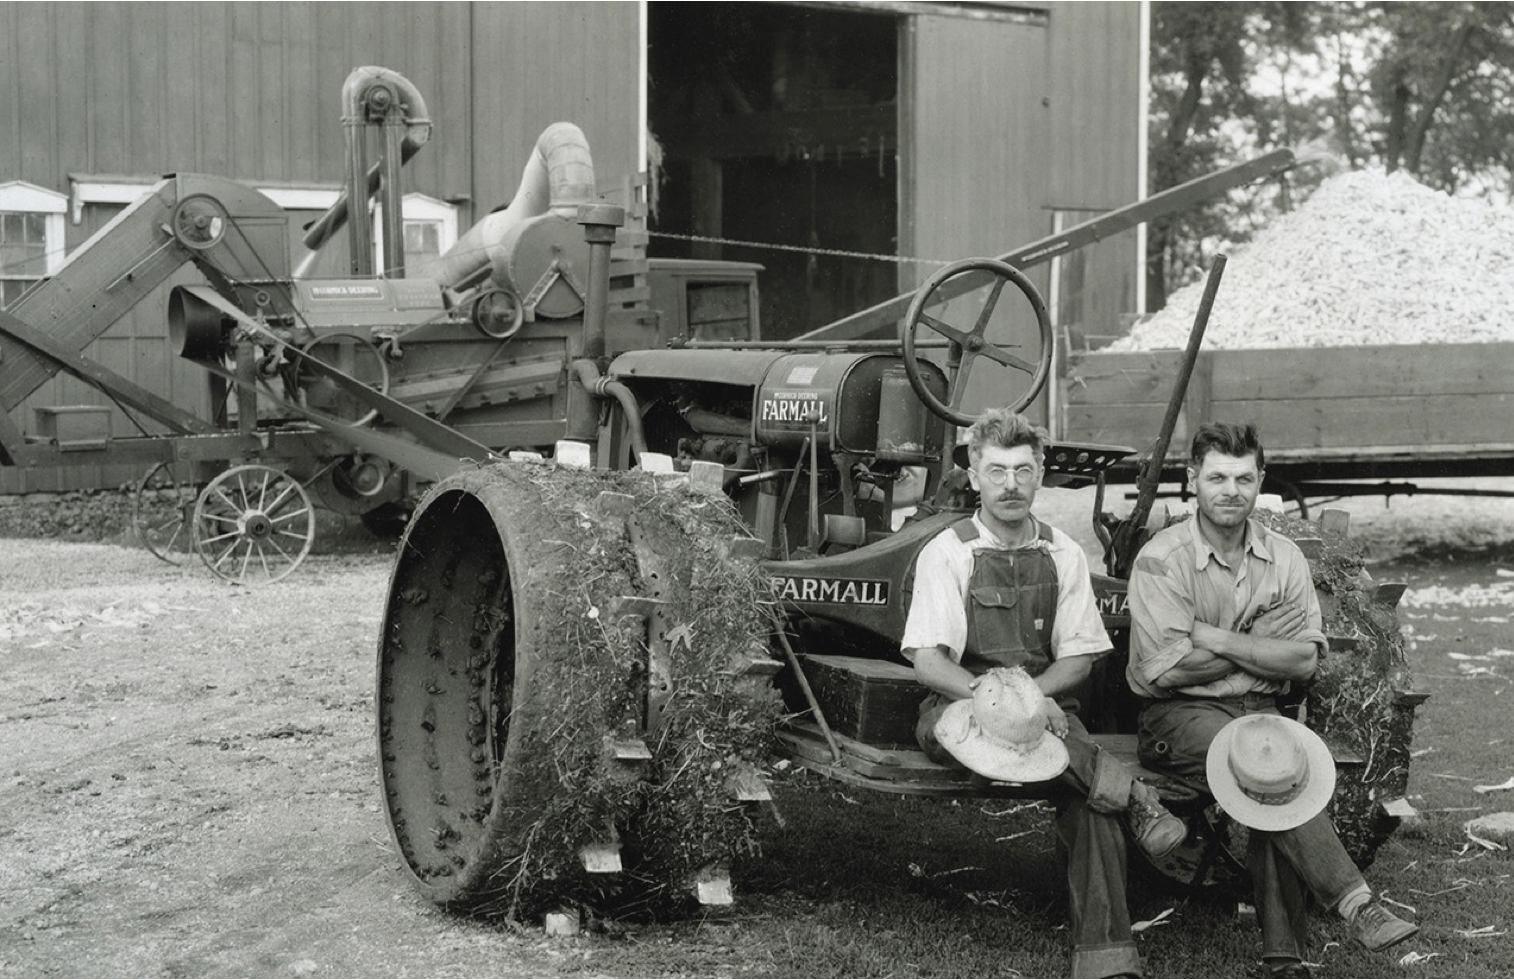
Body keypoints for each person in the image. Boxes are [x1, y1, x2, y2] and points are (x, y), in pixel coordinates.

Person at [1126, 422, 1419, 979]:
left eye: (1242, 477)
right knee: (1266, 769)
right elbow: (1167, 670)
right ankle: (1354, 902)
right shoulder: (1161, 559)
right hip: (1178, 716)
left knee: (1273, 769)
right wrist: (1263, 641)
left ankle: (1283, 962)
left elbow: (1303, 661)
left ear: (1260, 480)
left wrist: (1214, 636)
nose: (1229, 490)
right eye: (1216, 477)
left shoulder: (1283, 557)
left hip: (1261, 713)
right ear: (1193, 480)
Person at [901, 407, 1183, 980]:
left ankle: (1106, 959)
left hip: (1046, 706)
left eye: (1023, 471)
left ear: (1041, 475)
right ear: (974, 476)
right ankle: (1133, 796)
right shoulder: (948, 550)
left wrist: (1035, 695)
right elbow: (928, 661)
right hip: (960, 707)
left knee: (1090, 802)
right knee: (1099, 786)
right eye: (997, 471)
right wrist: (998, 700)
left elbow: (1078, 656)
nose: (1010, 484)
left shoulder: (1064, 553)